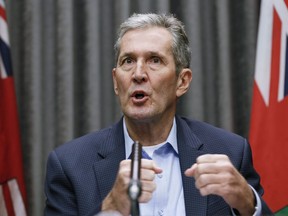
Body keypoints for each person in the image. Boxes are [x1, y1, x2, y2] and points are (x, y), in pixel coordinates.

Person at [44, 13, 272, 216]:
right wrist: (110, 209)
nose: (138, 74)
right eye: (128, 61)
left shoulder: (230, 151)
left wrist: (249, 204)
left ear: (182, 82)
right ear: (116, 81)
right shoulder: (70, 166)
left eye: (155, 60)